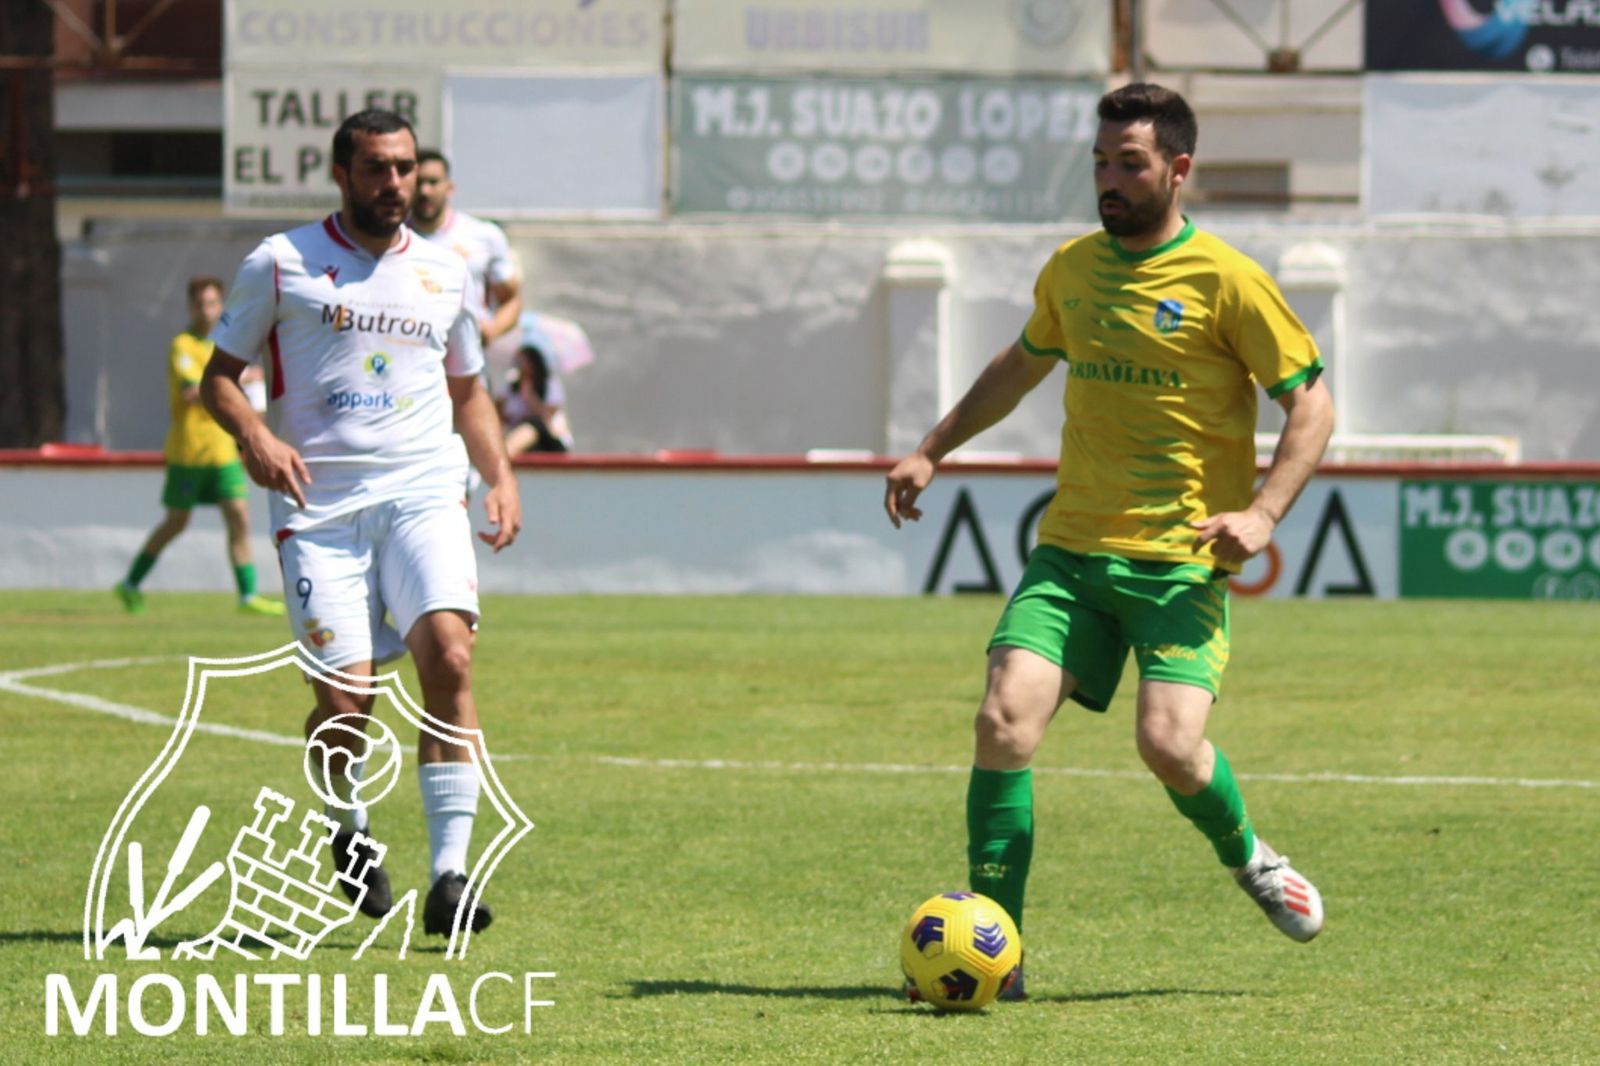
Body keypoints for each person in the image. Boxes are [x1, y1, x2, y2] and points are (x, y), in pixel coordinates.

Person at [883, 83, 1336, 998]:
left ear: (1178, 169)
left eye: (1129, 164)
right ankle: (998, 949)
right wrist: (932, 448)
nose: (1109, 181)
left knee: (1169, 746)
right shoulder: (1073, 270)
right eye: (1099, 162)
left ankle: (1248, 854)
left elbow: (1313, 404)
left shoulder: (1229, 281)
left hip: (1179, 564)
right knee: (1003, 720)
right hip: (1072, 554)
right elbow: (1020, 365)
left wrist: (1262, 515)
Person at [200, 109, 523, 939]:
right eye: (377, 168)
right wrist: (256, 436)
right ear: (342, 174)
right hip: (320, 507)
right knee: (348, 706)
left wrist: (499, 475)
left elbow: (468, 391)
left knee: (451, 658)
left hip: (423, 494)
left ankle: (450, 877)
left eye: (405, 167)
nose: (394, 183)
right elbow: (219, 378)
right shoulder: (280, 262)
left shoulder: (446, 270)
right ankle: (347, 827)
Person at [114, 277, 285, 617]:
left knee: (239, 516)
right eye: (200, 304)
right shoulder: (183, 345)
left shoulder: (227, 346)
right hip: (189, 451)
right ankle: (130, 583)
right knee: (176, 522)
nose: (206, 310)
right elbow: (194, 392)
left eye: (212, 303)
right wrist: (246, 378)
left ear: (221, 305)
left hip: (222, 449)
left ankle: (248, 595)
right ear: (190, 307)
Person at [410, 149, 523, 350]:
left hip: (466, 354)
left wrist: (492, 330)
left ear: (449, 188)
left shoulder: (483, 235)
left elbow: (512, 300)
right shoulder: (390, 237)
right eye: (418, 183)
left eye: (433, 182)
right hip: (411, 351)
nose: (424, 191)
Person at [500, 340, 573, 455]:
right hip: (520, 439)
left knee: (531, 425)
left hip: (548, 438)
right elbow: (501, 414)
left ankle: (504, 454)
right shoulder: (510, 387)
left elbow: (546, 415)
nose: (519, 366)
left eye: (523, 361)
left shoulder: (549, 385)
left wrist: (529, 395)